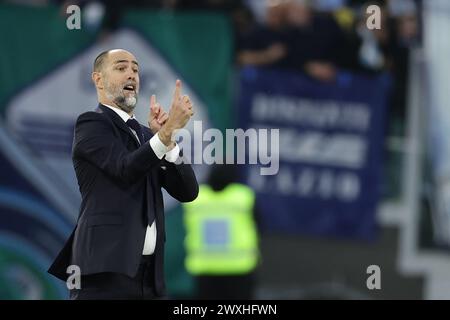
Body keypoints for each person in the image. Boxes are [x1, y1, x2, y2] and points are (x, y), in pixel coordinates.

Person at [48, 49, 199, 300]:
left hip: (150, 280)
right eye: (121, 68)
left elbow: (188, 192)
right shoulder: (91, 123)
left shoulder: (148, 135)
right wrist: (166, 131)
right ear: (97, 79)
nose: (132, 74)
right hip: (105, 275)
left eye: (136, 69)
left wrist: (169, 141)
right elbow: (125, 168)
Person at [182, 164, 260, 299]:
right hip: (240, 268)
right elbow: (260, 226)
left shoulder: (195, 199)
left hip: (204, 268)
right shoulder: (244, 197)